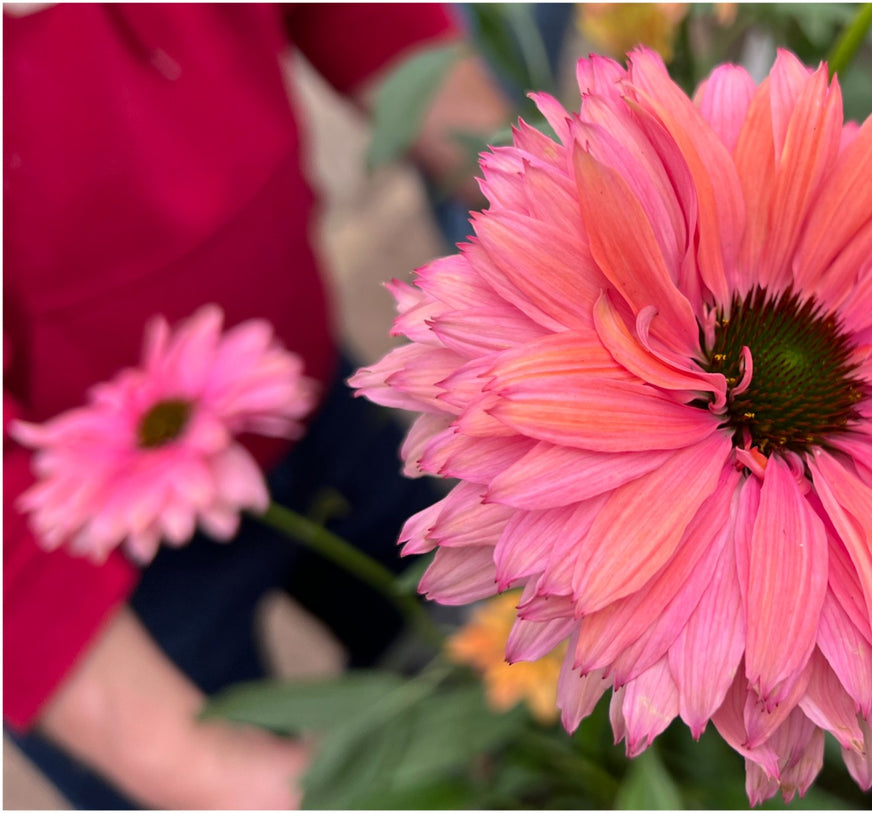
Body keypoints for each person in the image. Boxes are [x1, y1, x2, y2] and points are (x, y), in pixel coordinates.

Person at [3, 4, 513, 808]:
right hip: (74, 572)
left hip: (301, 390)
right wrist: (188, 762)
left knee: (475, 661)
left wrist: (538, 199)